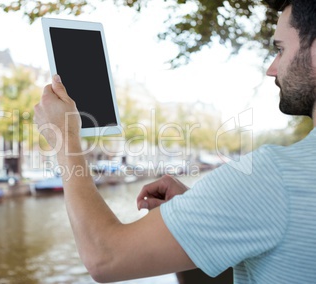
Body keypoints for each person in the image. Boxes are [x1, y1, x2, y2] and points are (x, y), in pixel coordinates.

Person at [34, 0, 316, 283]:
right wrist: (201, 219)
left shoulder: (272, 178)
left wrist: (65, 138)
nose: (271, 67)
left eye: (280, 49)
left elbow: (104, 256)